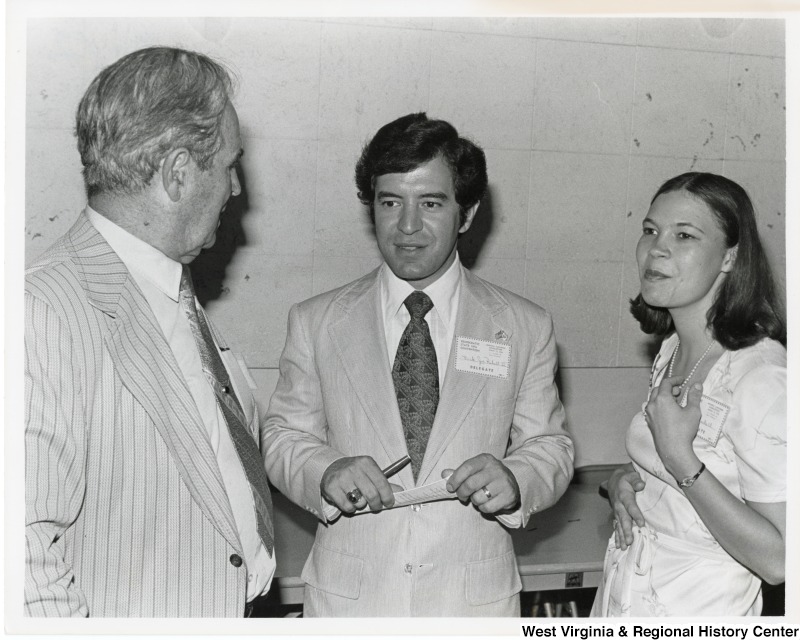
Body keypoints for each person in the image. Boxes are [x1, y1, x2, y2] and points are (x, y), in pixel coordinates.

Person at [262, 112, 574, 616]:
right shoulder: (315, 320)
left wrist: (517, 480)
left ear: (467, 214)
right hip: (350, 604)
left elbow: (550, 447)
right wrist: (325, 470)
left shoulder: (524, 325)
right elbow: (281, 437)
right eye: (390, 203)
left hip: (472, 605)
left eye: (430, 203)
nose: (407, 227)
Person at [25, 46, 275, 617]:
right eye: (229, 165)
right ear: (178, 173)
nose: (237, 190)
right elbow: (19, 559)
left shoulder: (165, 289)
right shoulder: (43, 311)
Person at [591, 172, 786, 617]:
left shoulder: (764, 379)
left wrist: (681, 461)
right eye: (650, 231)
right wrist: (624, 477)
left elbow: (780, 560)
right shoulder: (675, 347)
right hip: (626, 597)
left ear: (730, 258)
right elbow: (707, 468)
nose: (657, 248)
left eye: (684, 235)